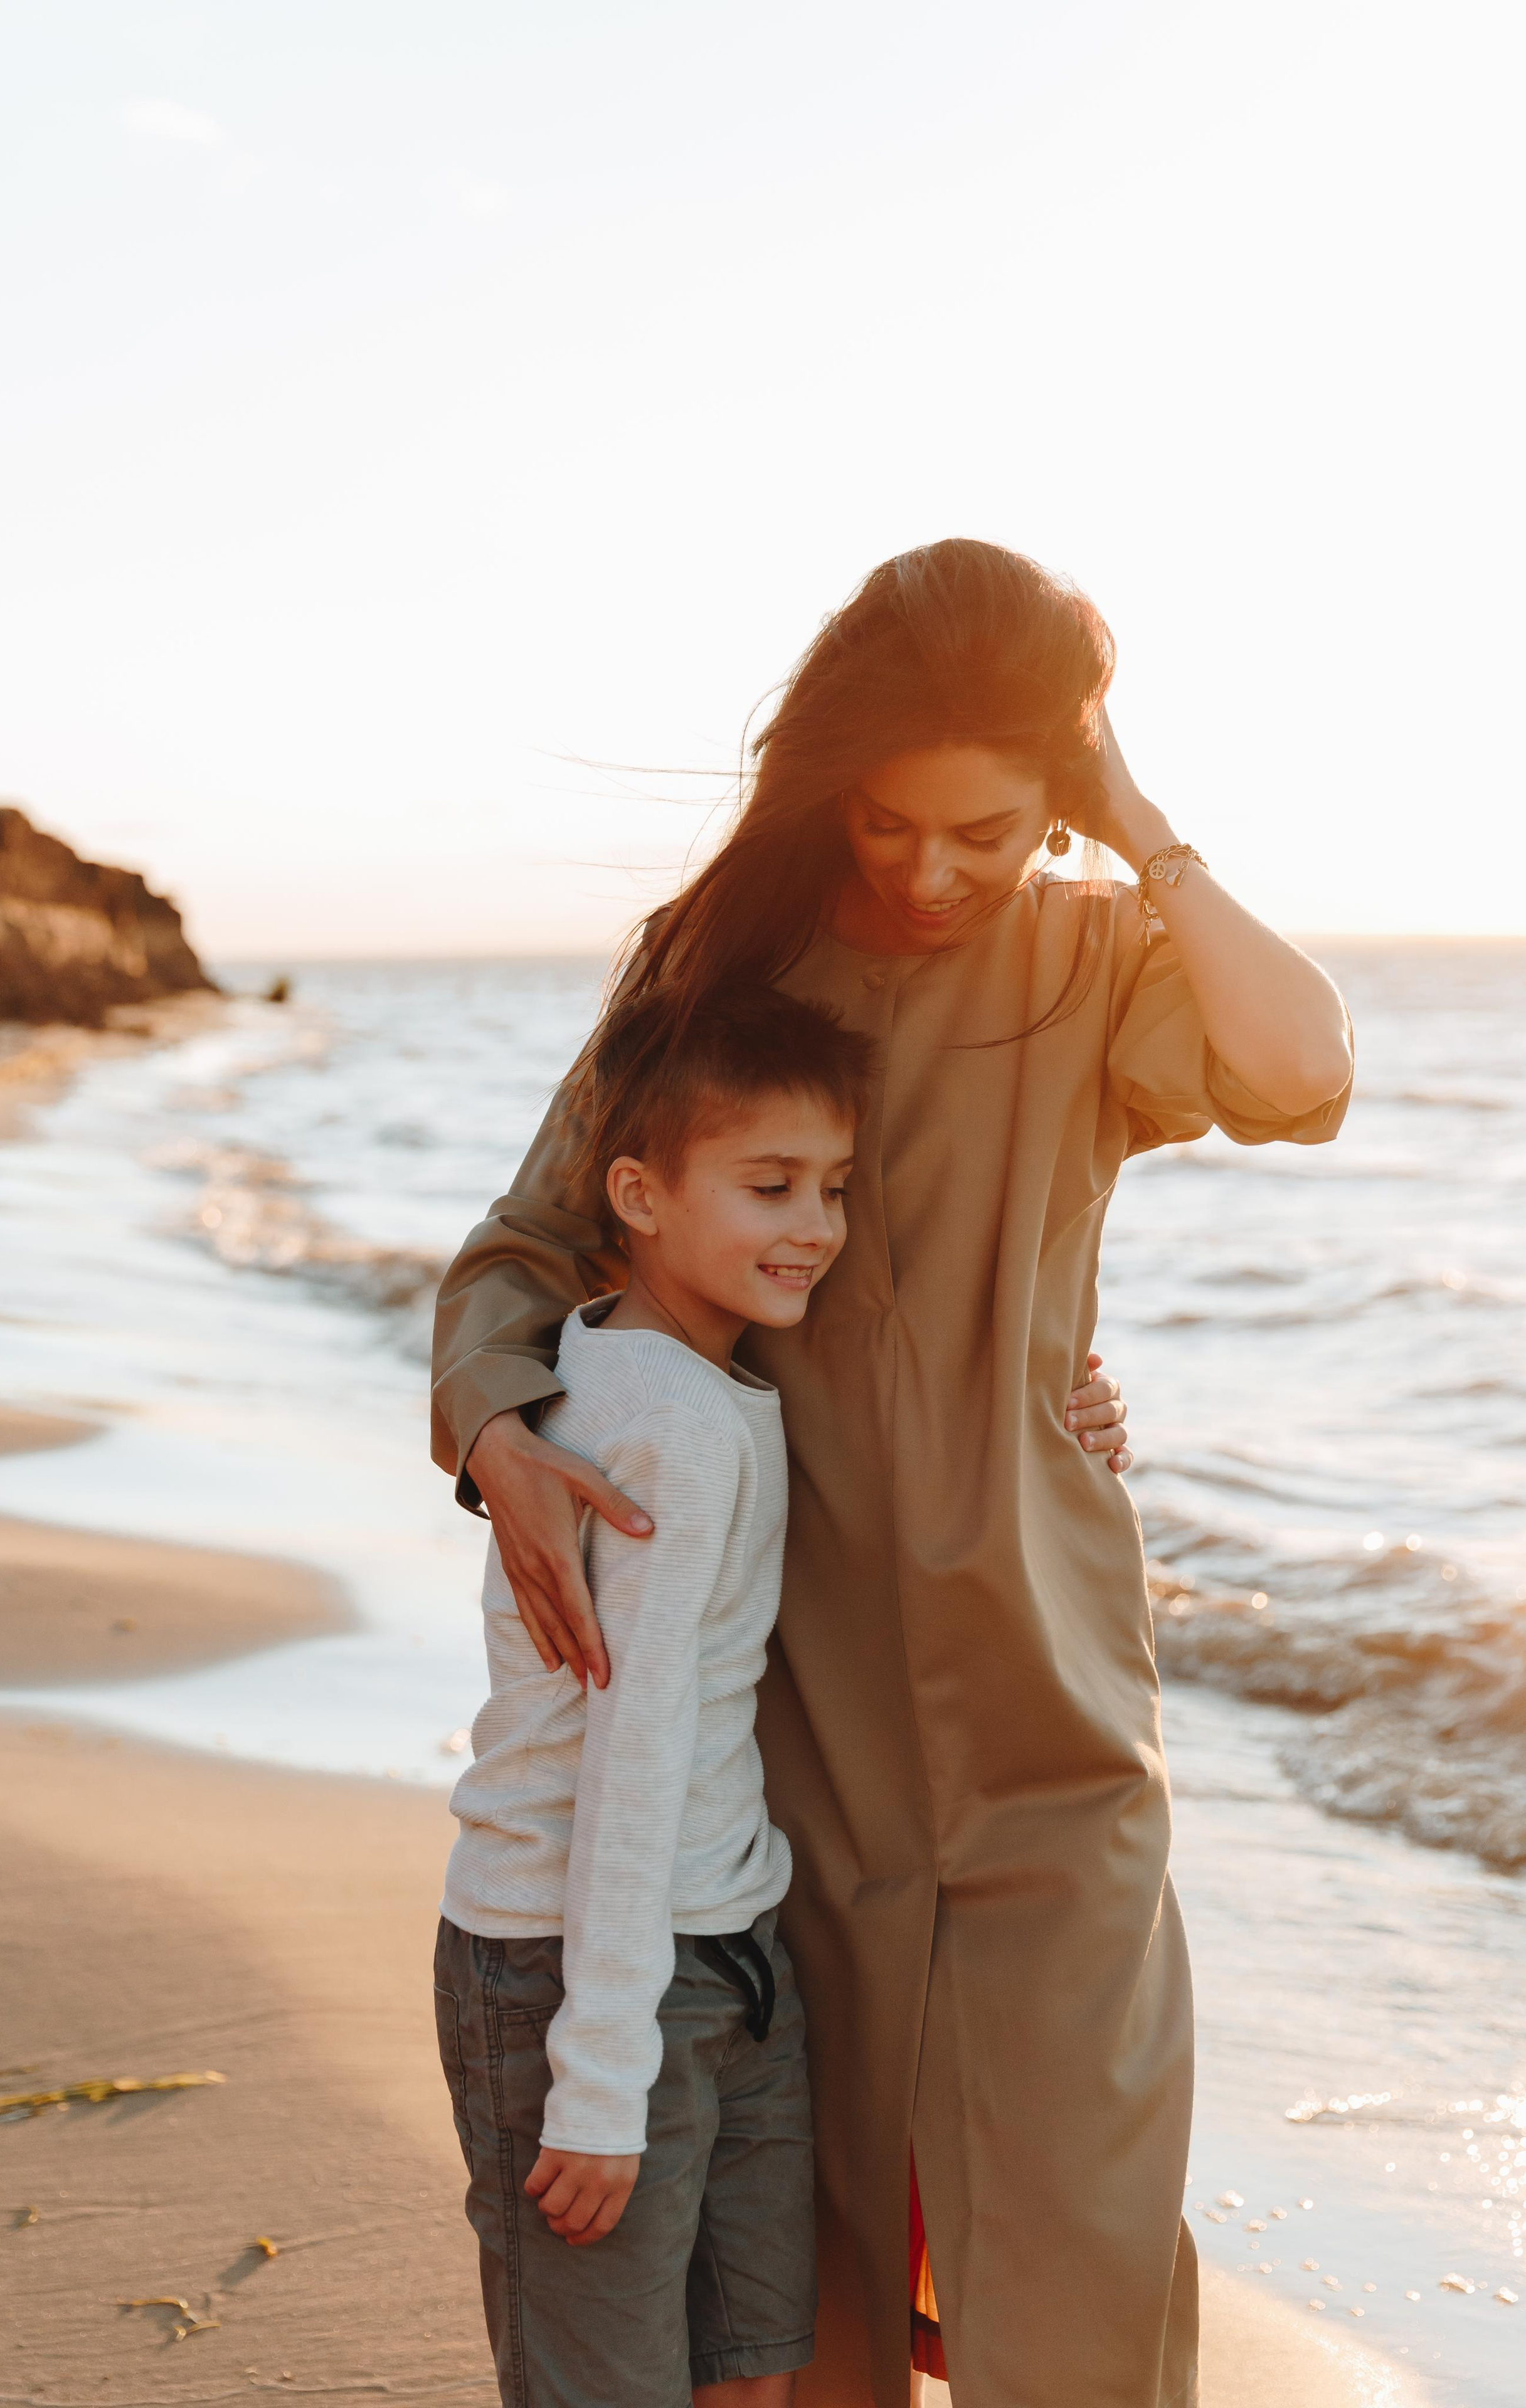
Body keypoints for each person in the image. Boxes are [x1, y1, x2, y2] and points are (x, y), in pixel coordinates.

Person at [431, 540, 1354, 2408]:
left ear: (1055, 797)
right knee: (821, 2271)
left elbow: (1302, 1074)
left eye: (987, 831)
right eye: (888, 823)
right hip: (788, 1719)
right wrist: (500, 1438)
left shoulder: (1093, 957)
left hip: (1054, 1708)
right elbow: (527, 1251)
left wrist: (1132, 817)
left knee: (1084, 2253)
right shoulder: (724, 968)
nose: (930, 874)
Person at [435, 982, 873, 2408]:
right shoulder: (668, 1422)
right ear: (637, 1194)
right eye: (769, 1185)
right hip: (576, 1968)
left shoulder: (663, 1371)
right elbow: (631, 1751)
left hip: (723, 1949)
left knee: (750, 2369)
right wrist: (602, 2071)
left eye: (833, 1186)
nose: (815, 1226)